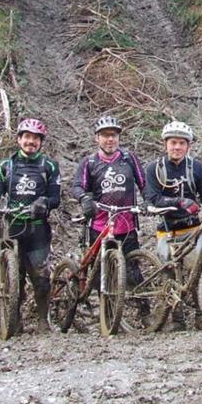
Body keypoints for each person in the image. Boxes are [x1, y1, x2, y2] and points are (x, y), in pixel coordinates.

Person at [0, 118, 61, 332]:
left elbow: (55, 197)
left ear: (41, 142)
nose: (30, 142)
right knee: (13, 276)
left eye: (35, 138)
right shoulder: (7, 166)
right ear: (19, 139)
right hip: (11, 226)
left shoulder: (49, 166)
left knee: (41, 277)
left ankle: (43, 319)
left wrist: (44, 202)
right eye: (27, 137)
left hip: (37, 228)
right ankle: (13, 318)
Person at [143, 120, 202, 330]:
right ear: (166, 144)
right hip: (166, 229)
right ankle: (177, 319)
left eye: (182, 143)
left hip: (192, 229)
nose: (177, 147)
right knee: (169, 274)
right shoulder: (154, 169)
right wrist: (179, 202)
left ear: (188, 146)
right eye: (173, 143)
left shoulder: (196, 167)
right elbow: (152, 199)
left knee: (197, 271)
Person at [70, 116, 146, 284]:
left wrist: (147, 201)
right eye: (105, 135)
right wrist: (84, 199)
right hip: (99, 226)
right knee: (100, 277)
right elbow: (77, 186)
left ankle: (142, 307)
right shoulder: (89, 162)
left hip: (127, 225)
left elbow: (143, 183)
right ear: (97, 138)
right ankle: (105, 307)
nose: (110, 139)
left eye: (114, 135)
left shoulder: (128, 158)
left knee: (133, 274)